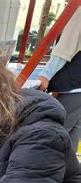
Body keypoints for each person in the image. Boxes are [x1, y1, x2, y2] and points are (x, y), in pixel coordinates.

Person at [37, 8, 80, 151]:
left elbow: (65, 50)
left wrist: (46, 75)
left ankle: (49, 171)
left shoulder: (78, 10)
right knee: (72, 133)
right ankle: (68, 172)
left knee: (56, 134)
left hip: (73, 84)